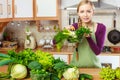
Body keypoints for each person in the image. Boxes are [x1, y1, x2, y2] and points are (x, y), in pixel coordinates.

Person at [69, 0, 106, 68]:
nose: (85, 15)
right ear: (78, 13)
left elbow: (97, 52)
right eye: (82, 11)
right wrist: (64, 32)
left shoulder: (101, 27)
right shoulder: (75, 26)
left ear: (93, 12)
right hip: (76, 67)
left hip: (94, 67)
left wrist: (89, 38)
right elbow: (55, 42)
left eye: (88, 11)